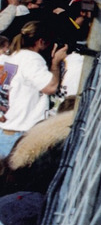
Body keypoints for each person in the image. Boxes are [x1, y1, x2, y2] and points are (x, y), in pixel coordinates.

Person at [0, 21, 68, 158]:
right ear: (41, 41)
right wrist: (55, 63)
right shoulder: (31, 59)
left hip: (6, 130)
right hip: (21, 133)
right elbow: (50, 87)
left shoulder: (9, 57)